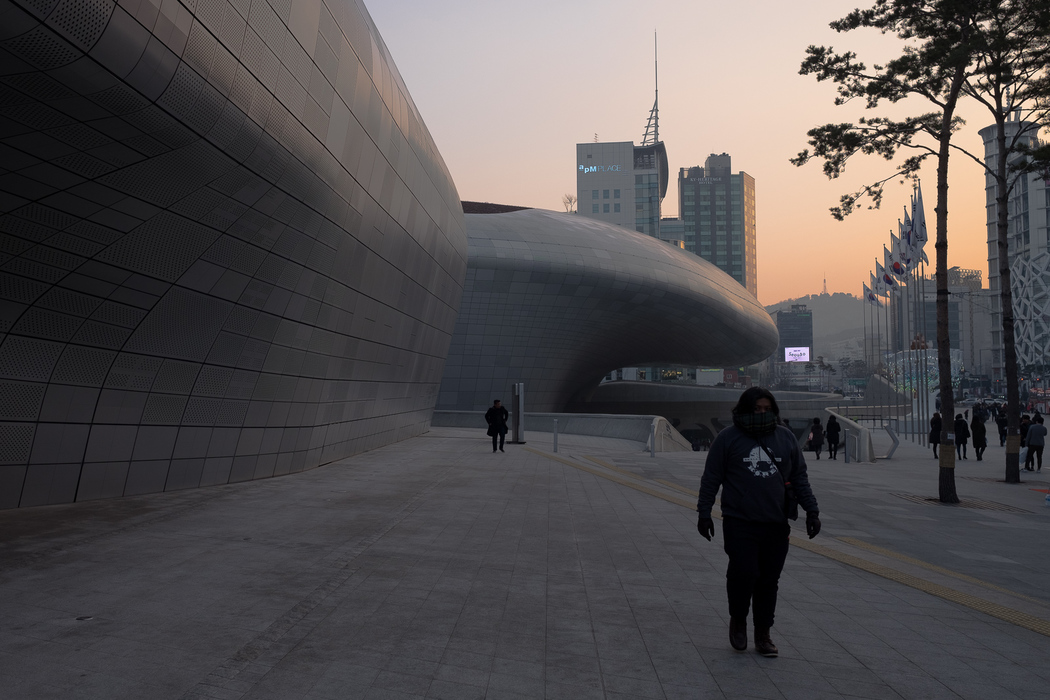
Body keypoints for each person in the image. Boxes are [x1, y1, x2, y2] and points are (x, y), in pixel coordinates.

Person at [696, 387, 820, 658]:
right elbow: (711, 477)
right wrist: (703, 512)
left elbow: (799, 477)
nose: (762, 414)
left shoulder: (785, 437)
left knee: (768, 580)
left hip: (775, 522)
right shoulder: (728, 439)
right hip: (740, 521)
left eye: (767, 409)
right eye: (757, 409)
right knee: (743, 574)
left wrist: (812, 511)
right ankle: (738, 620)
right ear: (744, 409)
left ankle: (763, 633)